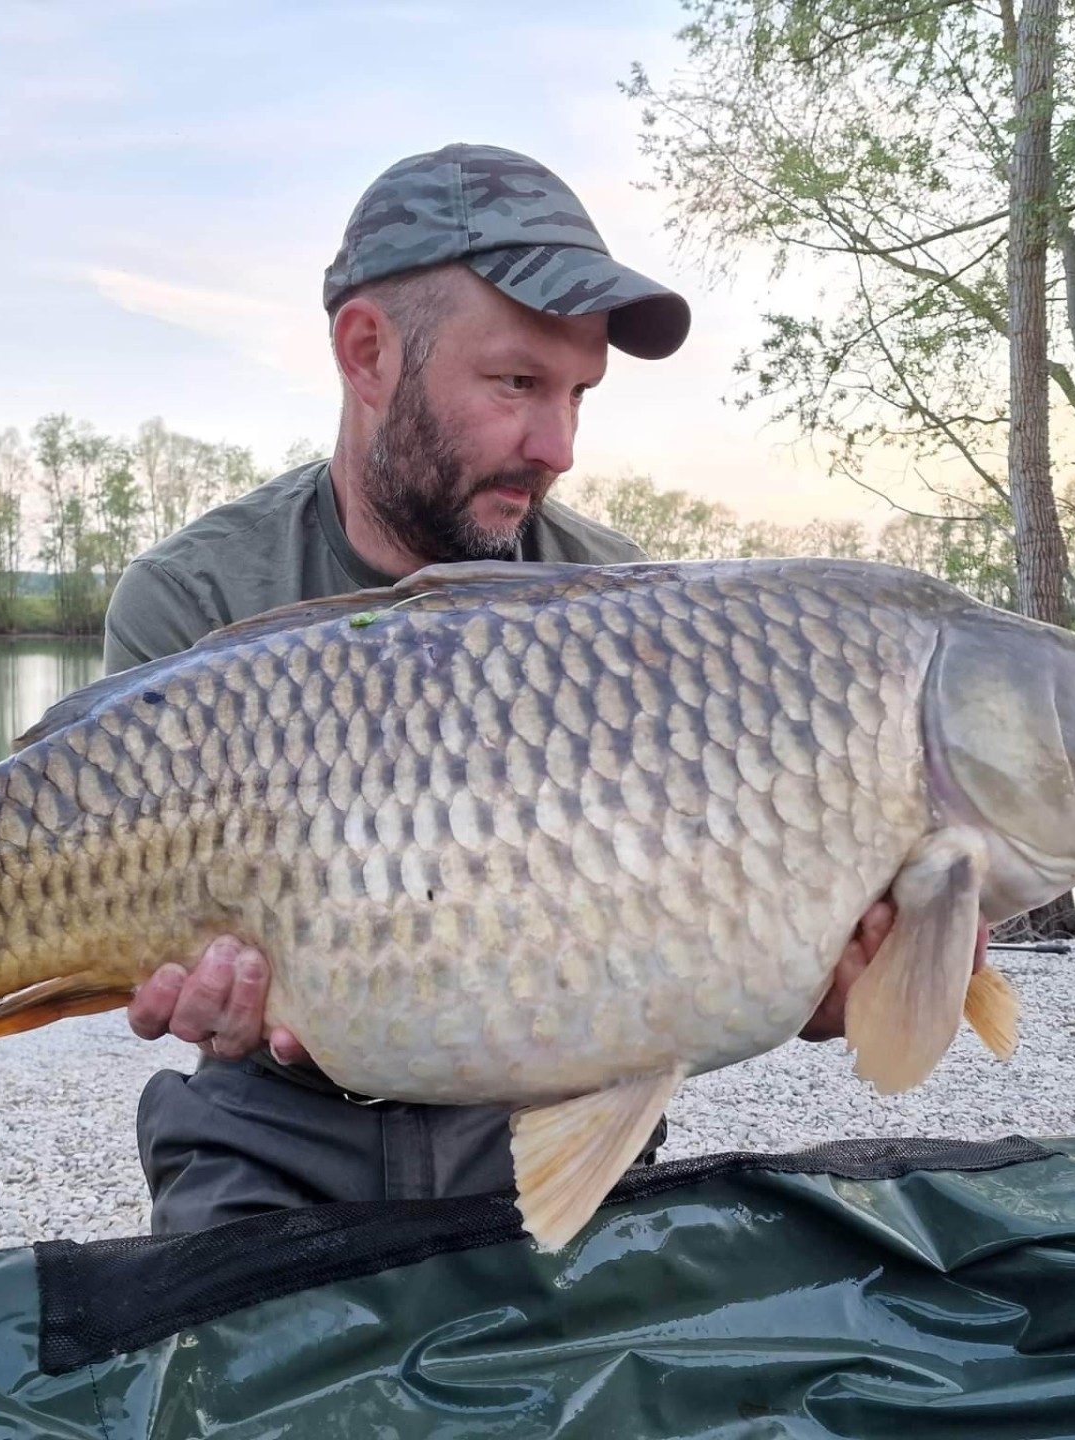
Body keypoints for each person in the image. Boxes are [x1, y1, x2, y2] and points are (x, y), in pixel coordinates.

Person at [102, 141, 972, 1235]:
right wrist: (178, 984)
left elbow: (687, 898)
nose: (556, 444)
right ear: (368, 354)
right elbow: (157, 961)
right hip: (272, 1128)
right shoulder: (197, 601)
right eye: (516, 383)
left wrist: (829, 981)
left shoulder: (632, 615)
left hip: (555, 1109)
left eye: (578, 396)